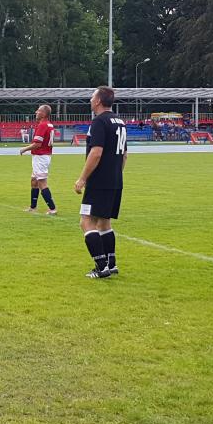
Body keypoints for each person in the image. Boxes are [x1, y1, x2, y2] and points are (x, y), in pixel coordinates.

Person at [74, 86, 127, 279]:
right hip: (115, 180)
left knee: (86, 221)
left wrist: (82, 178)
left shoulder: (99, 121)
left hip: (99, 181)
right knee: (104, 222)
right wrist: (115, 174)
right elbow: (125, 155)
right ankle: (111, 264)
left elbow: (96, 153)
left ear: (98, 101)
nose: (90, 100)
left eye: (92, 97)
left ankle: (101, 266)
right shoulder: (120, 122)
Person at [19, 104, 57, 214]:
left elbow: (37, 144)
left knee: (42, 183)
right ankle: (33, 207)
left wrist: (24, 149)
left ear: (44, 113)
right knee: (34, 181)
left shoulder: (43, 125)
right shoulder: (49, 125)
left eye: (38, 110)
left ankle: (52, 208)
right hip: (43, 156)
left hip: (41, 157)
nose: (36, 112)